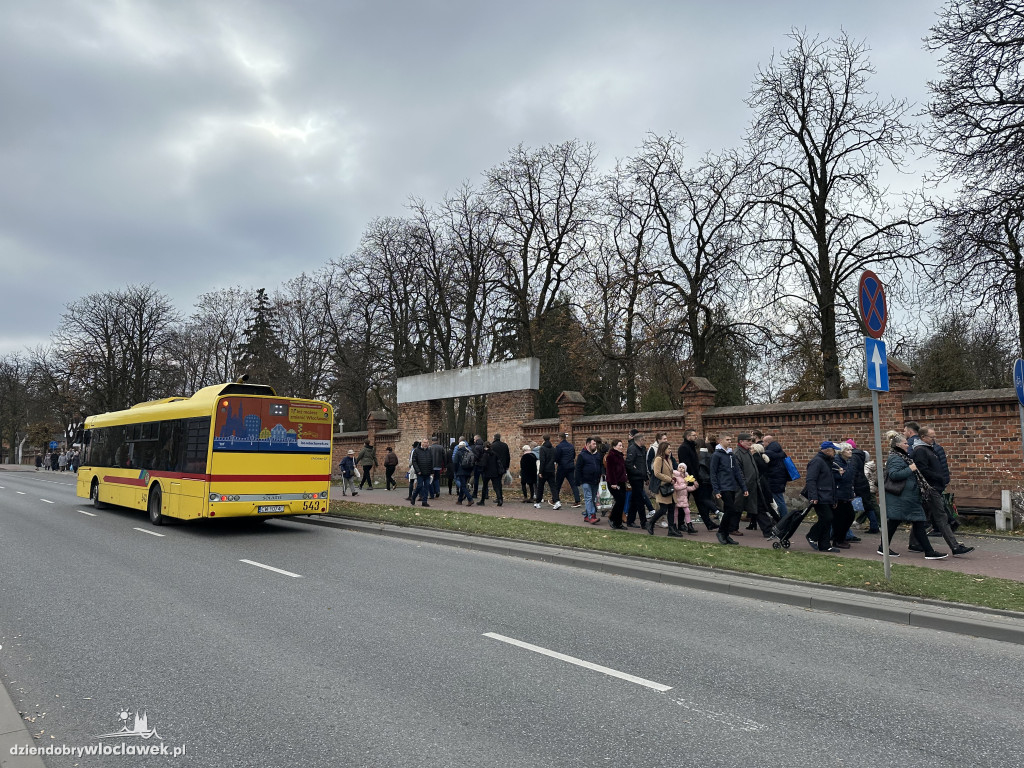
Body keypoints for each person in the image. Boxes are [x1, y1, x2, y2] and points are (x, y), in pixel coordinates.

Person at [879, 432, 948, 560]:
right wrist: (910, 468)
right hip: (901, 497)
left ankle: (928, 551)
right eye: (905, 443)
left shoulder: (903, 456)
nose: (907, 445)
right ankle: (928, 551)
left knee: (915, 522)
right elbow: (894, 475)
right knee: (904, 522)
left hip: (908, 497)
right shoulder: (895, 457)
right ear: (898, 444)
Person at [913, 426, 973, 556]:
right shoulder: (920, 450)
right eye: (931, 437)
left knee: (921, 516)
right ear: (923, 437)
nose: (934, 439)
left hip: (933, 487)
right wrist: (938, 478)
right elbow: (923, 470)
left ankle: (914, 543)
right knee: (941, 517)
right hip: (931, 488)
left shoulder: (929, 449)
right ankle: (955, 547)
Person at [709, 435, 747, 545]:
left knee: (728, 510)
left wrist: (743, 487)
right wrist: (716, 490)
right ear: (720, 441)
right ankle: (721, 531)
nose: (730, 441)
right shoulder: (716, 455)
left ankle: (726, 534)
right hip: (723, 486)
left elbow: (737, 472)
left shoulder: (731, 454)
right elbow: (713, 473)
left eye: (730, 440)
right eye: (727, 439)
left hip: (732, 486)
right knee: (731, 509)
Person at [735, 433, 774, 537]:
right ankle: (731, 528)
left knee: (758, 507)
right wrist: (744, 486)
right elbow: (739, 472)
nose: (750, 442)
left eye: (751, 440)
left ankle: (768, 530)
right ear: (741, 441)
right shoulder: (737, 454)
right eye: (747, 440)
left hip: (754, 486)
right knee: (737, 508)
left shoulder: (748, 452)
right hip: (744, 487)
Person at [805, 442, 840, 553]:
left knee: (827, 520)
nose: (835, 452)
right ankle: (812, 535)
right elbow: (811, 479)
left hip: (827, 495)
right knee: (827, 518)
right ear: (827, 450)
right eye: (833, 450)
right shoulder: (817, 461)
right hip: (820, 496)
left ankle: (824, 545)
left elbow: (830, 482)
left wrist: (834, 499)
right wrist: (813, 496)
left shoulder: (827, 462)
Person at [646, 440, 681, 536]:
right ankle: (651, 523)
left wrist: (674, 477)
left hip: (670, 487)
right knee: (663, 509)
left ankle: (671, 530)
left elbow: (670, 471)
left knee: (671, 508)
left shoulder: (668, 459)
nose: (670, 450)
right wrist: (669, 479)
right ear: (663, 449)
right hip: (662, 487)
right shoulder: (659, 459)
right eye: (668, 448)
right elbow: (657, 473)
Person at [847, 438, 880, 534]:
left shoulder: (852, 457)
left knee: (850, 506)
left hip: (857, 484)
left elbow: (853, 472)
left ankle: (847, 530)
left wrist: (851, 485)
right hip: (863, 483)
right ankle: (874, 526)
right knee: (868, 505)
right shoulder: (861, 455)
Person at [831, 443, 857, 549]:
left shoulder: (848, 462)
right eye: (847, 450)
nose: (850, 451)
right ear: (842, 452)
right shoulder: (836, 463)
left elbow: (850, 477)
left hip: (846, 493)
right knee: (840, 519)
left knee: (849, 516)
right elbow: (841, 478)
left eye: (851, 450)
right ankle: (838, 540)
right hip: (839, 494)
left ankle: (840, 538)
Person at [761, 433, 792, 521]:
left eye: (764, 442)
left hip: (773, 478)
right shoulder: (781, 451)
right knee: (779, 498)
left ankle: (784, 519)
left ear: (767, 442)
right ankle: (784, 517)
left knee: (778, 499)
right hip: (781, 478)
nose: (763, 444)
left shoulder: (768, 453)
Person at [574, 436, 603, 524]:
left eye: (595, 444)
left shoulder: (598, 455)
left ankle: (587, 515)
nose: (595, 446)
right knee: (589, 498)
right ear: (588, 444)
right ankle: (592, 515)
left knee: (593, 498)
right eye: (593, 444)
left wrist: (601, 474)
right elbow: (578, 468)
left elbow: (600, 466)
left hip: (595, 480)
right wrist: (578, 480)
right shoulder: (582, 455)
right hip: (585, 480)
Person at [625, 428, 650, 527]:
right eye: (644, 440)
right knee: (640, 499)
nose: (645, 441)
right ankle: (643, 522)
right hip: (635, 478)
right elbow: (629, 464)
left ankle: (630, 520)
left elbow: (643, 464)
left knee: (635, 500)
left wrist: (646, 477)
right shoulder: (632, 448)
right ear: (640, 440)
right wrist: (638, 472)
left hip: (640, 477)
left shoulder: (642, 449)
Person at [604, 439, 629, 529]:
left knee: (622, 502)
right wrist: (613, 483)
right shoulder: (611, 456)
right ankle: (612, 518)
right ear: (614, 446)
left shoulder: (620, 456)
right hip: (613, 482)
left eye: (622, 445)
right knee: (619, 501)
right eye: (620, 445)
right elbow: (610, 471)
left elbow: (622, 469)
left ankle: (618, 523)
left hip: (621, 482)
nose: (621, 447)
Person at [554, 433, 581, 508]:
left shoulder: (559, 447)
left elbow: (557, 457)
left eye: (558, 437)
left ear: (560, 437)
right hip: (570, 466)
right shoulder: (571, 446)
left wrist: (558, 462)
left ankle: (555, 499)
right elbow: (573, 455)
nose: (558, 439)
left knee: (558, 484)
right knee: (573, 484)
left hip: (562, 467)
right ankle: (577, 500)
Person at [673, 461, 698, 534]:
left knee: (687, 511)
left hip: (684, 498)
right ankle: (674, 525)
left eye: (683, 468)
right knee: (675, 512)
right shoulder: (675, 477)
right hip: (677, 497)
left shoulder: (685, 478)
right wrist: (685, 485)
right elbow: (676, 487)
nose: (681, 469)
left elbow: (687, 489)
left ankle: (689, 526)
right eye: (680, 467)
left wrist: (694, 487)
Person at [534, 435, 558, 509]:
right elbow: (555, 459)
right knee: (553, 487)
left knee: (540, 487)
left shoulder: (542, 448)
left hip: (544, 470)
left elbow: (542, 460)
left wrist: (540, 472)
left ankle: (538, 502)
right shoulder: (553, 448)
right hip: (551, 470)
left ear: (543, 439)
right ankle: (557, 501)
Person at [409, 438, 434, 507]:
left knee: (427, 486)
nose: (426, 444)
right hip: (420, 472)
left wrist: (432, 471)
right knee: (419, 486)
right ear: (421, 443)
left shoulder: (429, 451)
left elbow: (431, 461)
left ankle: (424, 501)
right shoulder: (416, 451)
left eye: (427, 443)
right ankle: (413, 497)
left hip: (427, 472)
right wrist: (418, 470)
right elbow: (414, 461)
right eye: (424, 442)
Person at [478, 442, 503, 506]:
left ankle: (482, 501)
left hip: (487, 472)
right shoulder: (495, 454)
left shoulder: (485, 454)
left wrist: (481, 468)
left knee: (485, 486)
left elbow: (483, 464)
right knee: (496, 487)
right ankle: (499, 499)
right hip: (495, 472)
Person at [453, 440, 475, 507]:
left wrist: (455, 471)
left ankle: (470, 499)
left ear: (459, 446)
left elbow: (455, 463)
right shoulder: (469, 452)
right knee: (463, 485)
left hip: (461, 471)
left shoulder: (458, 452)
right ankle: (460, 500)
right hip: (467, 471)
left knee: (463, 486)